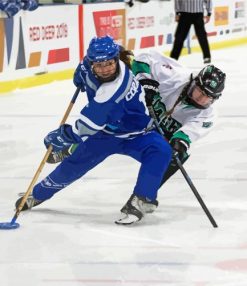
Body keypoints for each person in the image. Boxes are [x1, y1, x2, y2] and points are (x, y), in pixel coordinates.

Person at [15, 36, 172, 225]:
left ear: (116, 60)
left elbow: (87, 126)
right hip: (106, 133)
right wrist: (80, 77)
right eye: (99, 65)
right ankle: (37, 194)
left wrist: (63, 136)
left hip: (137, 134)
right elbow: (82, 69)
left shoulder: (115, 89)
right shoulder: (87, 65)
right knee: (75, 164)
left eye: (109, 63)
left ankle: (142, 199)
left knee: (161, 151)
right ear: (91, 64)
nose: (105, 69)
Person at [130, 50, 226, 187]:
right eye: (200, 91)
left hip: (156, 136)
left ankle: (144, 194)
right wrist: (145, 80)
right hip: (136, 118)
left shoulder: (208, 115)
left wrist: (179, 142)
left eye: (207, 97)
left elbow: (188, 133)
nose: (201, 98)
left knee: (178, 155)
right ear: (194, 82)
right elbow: (143, 58)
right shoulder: (176, 75)